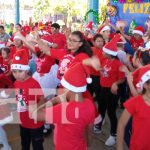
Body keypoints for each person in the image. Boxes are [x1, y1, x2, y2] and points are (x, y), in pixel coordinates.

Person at [31, 62, 96, 150]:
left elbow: (35, 115)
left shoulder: (64, 110)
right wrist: (87, 143)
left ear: (69, 89)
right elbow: (89, 132)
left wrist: (55, 100)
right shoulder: (90, 104)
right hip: (81, 146)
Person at [94, 34, 125, 146]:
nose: (102, 53)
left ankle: (113, 135)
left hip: (112, 92)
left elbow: (122, 78)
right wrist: (101, 70)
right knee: (101, 107)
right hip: (103, 89)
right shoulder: (106, 61)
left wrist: (115, 83)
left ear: (109, 53)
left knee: (111, 112)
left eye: (104, 51)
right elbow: (103, 72)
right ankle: (99, 124)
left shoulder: (118, 64)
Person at [11, 49, 45, 150]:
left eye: (20, 71)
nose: (16, 74)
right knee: (24, 144)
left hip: (35, 123)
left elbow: (42, 100)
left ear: (26, 70)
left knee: (37, 146)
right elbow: (18, 98)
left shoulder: (34, 84)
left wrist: (34, 108)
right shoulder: (16, 83)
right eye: (14, 71)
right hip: (23, 121)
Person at [117, 64, 150, 150]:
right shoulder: (135, 102)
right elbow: (121, 124)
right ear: (146, 85)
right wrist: (119, 147)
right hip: (138, 146)